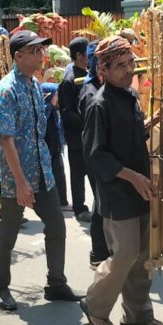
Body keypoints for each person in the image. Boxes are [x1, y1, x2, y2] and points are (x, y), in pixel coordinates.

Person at [79, 35, 163, 325]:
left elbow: (132, 137)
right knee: (125, 254)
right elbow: (96, 155)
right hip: (117, 192)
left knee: (142, 256)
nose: (129, 69)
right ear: (103, 69)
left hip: (140, 187)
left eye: (131, 62)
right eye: (120, 65)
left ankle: (138, 314)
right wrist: (133, 177)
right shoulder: (98, 104)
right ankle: (94, 304)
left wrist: (156, 119)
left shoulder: (130, 97)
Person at [0, 30, 80, 312]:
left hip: (42, 170)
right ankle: (0, 286)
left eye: (41, 49)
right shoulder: (6, 89)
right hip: (15, 175)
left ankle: (56, 283)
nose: (41, 55)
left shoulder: (33, 84)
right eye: (35, 50)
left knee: (56, 225)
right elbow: (6, 139)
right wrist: (20, 183)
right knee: (9, 231)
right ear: (18, 56)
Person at [79, 41, 110, 268]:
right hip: (96, 156)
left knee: (102, 201)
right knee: (101, 203)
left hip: (99, 154)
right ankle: (98, 253)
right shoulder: (92, 95)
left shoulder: (100, 89)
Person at [57, 36, 93, 223]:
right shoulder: (70, 80)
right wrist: (86, 121)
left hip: (88, 135)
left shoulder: (88, 75)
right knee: (78, 174)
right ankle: (80, 208)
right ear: (79, 55)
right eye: (88, 53)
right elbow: (66, 111)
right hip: (77, 136)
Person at [41, 82, 69, 210]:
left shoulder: (55, 109)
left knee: (59, 174)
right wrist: (51, 104)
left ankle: (62, 201)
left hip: (55, 147)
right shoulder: (44, 108)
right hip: (46, 147)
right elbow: (42, 122)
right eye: (56, 94)